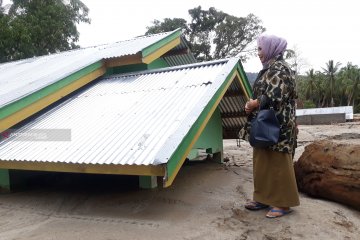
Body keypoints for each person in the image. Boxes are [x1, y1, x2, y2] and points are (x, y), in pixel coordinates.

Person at [239, 34, 299, 218]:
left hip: (278, 125)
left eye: (260, 49)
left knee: (278, 162)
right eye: (257, 49)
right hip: (265, 122)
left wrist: (253, 104)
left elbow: (274, 96)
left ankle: (283, 204)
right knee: (262, 160)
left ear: (272, 48)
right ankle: (262, 198)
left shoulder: (279, 68)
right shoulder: (269, 68)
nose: (258, 53)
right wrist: (253, 105)